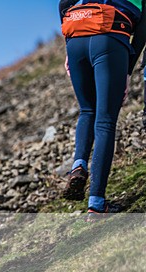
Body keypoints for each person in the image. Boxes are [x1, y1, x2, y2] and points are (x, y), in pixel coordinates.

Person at [60, 0, 146, 220]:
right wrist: (127, 69)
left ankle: (78, 165)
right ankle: (96, 203)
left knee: (87, 110)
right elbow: (143, 28)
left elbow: (64, 3)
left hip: (76, 32)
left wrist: (69, 45)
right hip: (111, 36)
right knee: (106, 121)